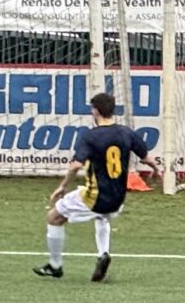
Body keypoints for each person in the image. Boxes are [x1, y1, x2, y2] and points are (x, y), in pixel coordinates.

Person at [37, 91, 133, 281]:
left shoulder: (91, 136)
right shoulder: (125, 132)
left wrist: (62, 186)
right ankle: (103, 253)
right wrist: (157, 169)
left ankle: (55, 266)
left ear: (95, 111)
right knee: (102, 216)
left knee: (54, 217)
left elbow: (76, 165)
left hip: (95, 197)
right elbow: (147, 156)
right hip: (118, 198)